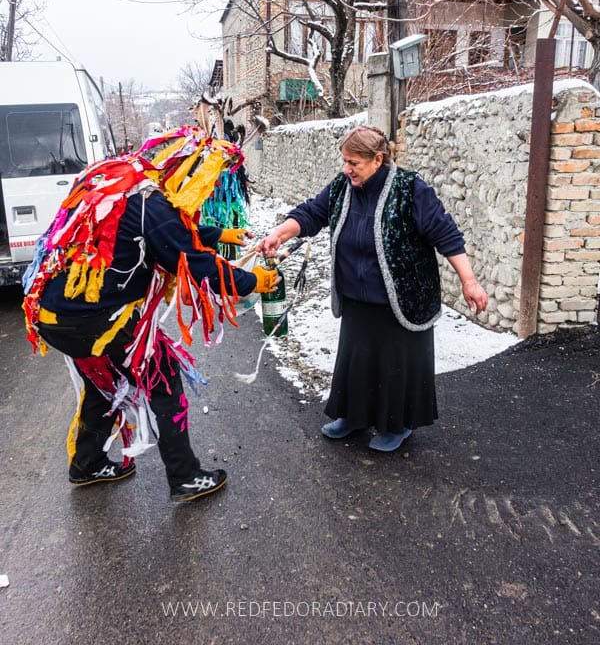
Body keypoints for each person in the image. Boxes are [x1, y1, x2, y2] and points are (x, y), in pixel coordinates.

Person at [22, 127, 278, 502]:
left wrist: (220, 233)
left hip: (57, 315)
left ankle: (86, 464)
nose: (206, 192)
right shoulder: (151, 203)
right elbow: (192, 263)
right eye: (206, 181)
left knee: (103, 382)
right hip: (96, 321)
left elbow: (168, 231)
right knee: (163, 376)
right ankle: (185, 476)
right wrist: (252, 280)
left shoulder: (122, 179)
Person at [257, 125, 488, 452]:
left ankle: (397, 424)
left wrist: (469, 281)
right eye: (345, 161)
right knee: (358, 361)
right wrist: (280, 234)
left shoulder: (411, 189)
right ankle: (353, 416)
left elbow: (446, 234)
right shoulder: (342, 187)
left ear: (378, 159)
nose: (346, 169)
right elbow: (312, 213)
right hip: (357, 297)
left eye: (354, 163)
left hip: (403, 298)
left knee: (396, 365)